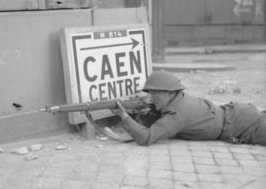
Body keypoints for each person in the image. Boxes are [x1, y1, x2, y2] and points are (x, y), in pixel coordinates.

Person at [112, 71, 266, 146]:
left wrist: (124, 116)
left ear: (171, 92)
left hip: (244, 125)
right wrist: (149, 113)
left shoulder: (177, 113)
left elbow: (145, 138)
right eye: (150, 93)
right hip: (237, 113)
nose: (151, 98)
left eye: (155, 93)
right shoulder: (178, 99)